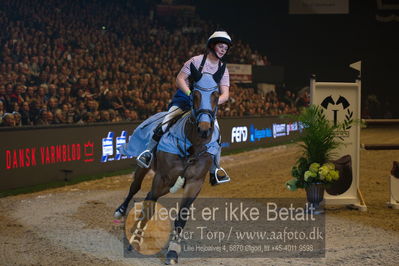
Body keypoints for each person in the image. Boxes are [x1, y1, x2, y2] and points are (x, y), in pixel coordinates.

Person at [136, 30, 232, 185]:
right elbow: (179, 79)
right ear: (213, 45)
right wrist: (190, 95)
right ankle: (148, 154)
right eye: (221, 46)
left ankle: (215, 170)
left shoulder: (223, 68)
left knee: (217, 136)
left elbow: (225, 94)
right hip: (185, 99)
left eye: (225, 48)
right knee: (165, 122)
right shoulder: (195, 61)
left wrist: (209, 104)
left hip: (205, 108)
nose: (223, 50)